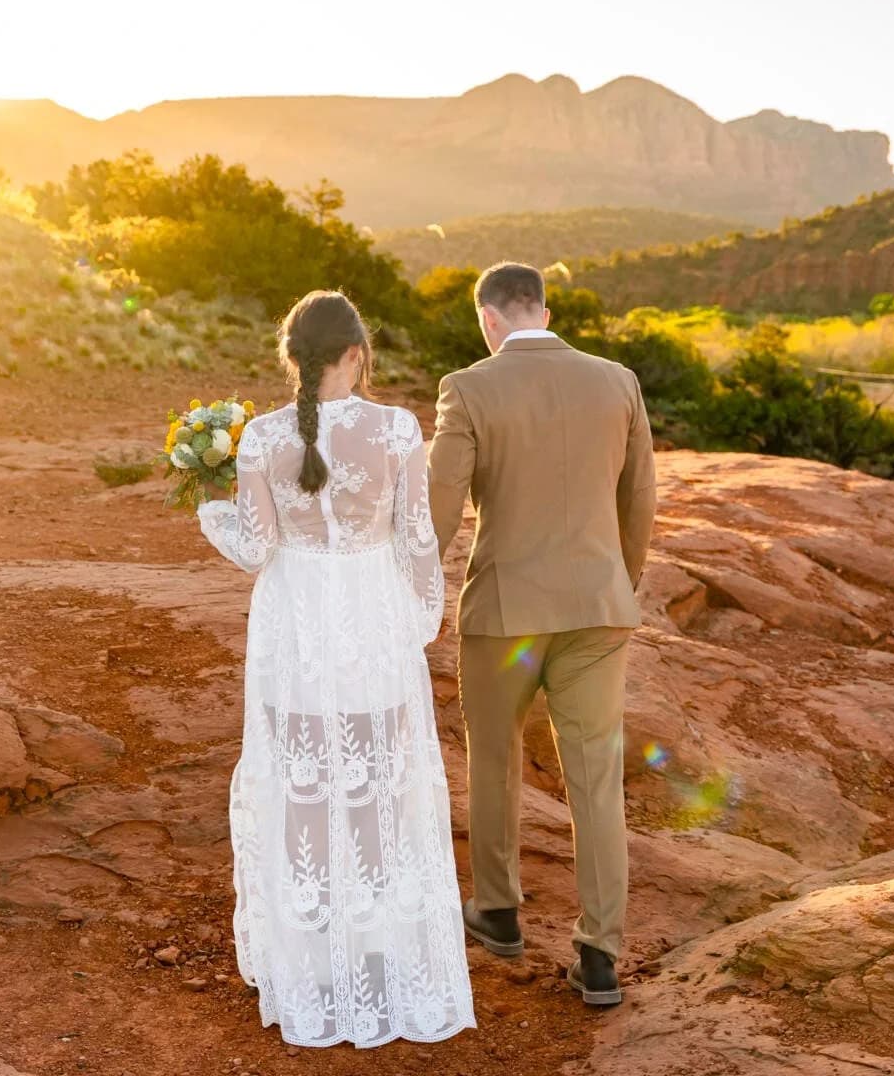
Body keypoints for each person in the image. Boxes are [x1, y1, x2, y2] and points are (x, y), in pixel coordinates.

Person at [197, 290, 476, 1049]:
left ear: (293, 358)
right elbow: (419, 541)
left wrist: (211, 512)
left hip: (294, 628)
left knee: (304, 781)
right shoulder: (396, 429)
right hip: (371, 623)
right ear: (357, 353)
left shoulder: (257, 436)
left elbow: (255, 550)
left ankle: (316, 958)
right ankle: (382, 949)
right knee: (377, 776)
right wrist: (418, 621)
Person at [426, 261, 656, 1007]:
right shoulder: (617, 380)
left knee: (495, 761)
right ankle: (600, 954)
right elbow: (640, 499)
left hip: (505, 616)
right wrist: (615, 581)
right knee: (596, 779)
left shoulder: (468, 387)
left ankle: (497, 914)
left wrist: (408, 590)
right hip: (597, 608)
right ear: (545, 313)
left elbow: (439, 510)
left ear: (487, 319)